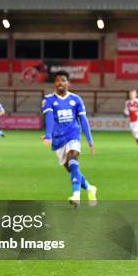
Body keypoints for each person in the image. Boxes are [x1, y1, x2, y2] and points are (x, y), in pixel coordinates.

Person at [42, 71, 97, 207]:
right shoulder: (48, 100)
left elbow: (83, 120)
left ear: (68, 83)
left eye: (63, 80)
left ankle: (76, 195)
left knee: (73, 159)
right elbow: (49, 118)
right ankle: (90, 188)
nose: (60, 82)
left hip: (73, 135)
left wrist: (90, 140)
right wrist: (49, 135)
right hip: (58, 140)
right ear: (55, 83)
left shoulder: (76, 99)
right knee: (72, 170)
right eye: (58, 80)